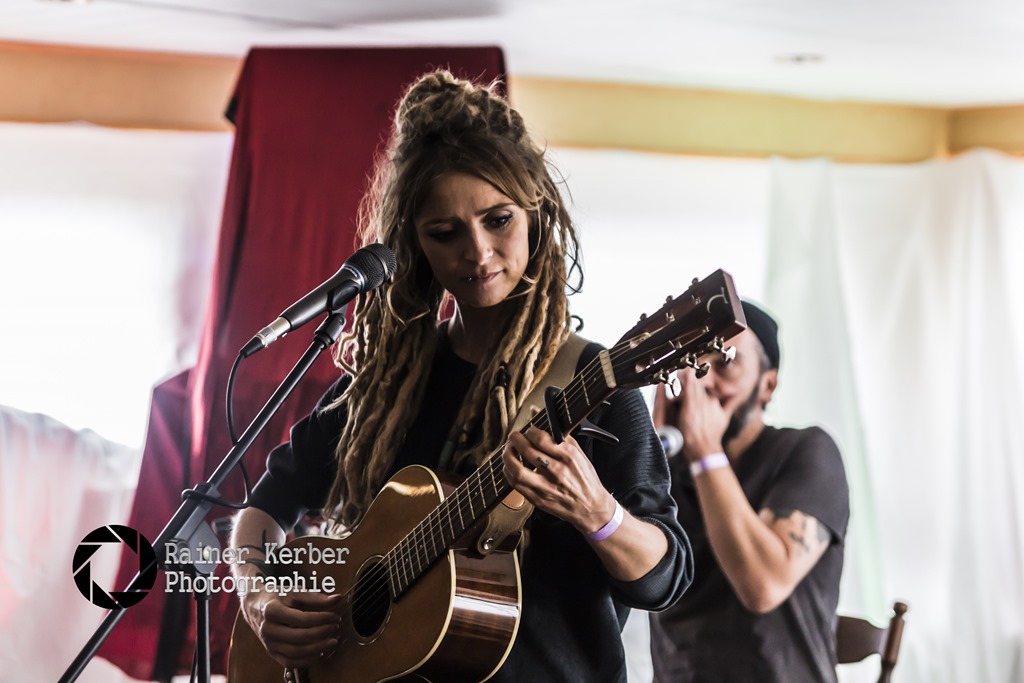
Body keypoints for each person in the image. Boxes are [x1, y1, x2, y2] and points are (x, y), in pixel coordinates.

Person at [229, 70, 692, 682]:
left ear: (535, 213)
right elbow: (262, 509)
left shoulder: (592, 384)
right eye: (445, 233)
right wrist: (259, 596)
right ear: (414, 245)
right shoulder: (384, 388)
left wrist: (598, 512)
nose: (476, 252)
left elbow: (664, 580)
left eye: (498, 220)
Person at [648, 301, 850, 683]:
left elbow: (763, 585)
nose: (704, 382)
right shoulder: (667, 467)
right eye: (695, 365)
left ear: (767, 385)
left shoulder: (807, 451)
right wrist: (649, 453)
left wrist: (706, 453)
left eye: (726, 364)